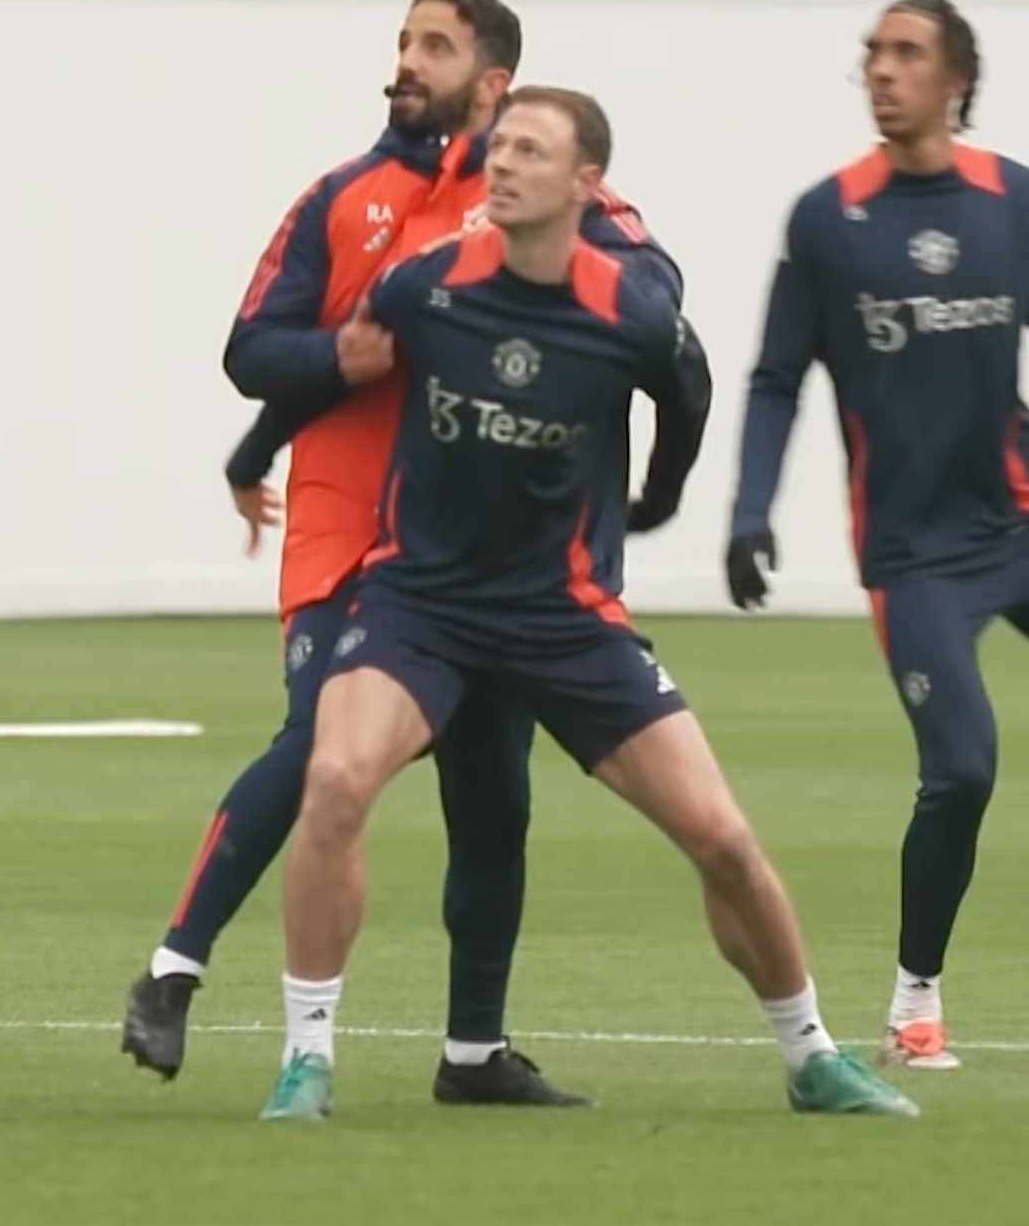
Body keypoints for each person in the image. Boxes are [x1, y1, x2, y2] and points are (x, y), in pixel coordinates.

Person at [258, 84, 918, 1123]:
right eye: (500, 146)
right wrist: (249, 458)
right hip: (418, 604)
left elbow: (688, 392)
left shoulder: (630, 312)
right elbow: (334, 374)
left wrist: (657, 495)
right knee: (335, 782)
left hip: (561, 618)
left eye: (530, 149)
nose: (503, 163)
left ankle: (812, 1056)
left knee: (725, 840)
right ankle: (306, 1059)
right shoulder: (425, 284)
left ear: (586, 182)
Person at [123, 0, 664, 1106]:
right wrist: (332, 369)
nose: (407, 61)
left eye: (435, 45)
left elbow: (651, 291)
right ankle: (176, 964)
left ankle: (472, 1053)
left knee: (493, 794)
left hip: (474, 540)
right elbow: (252, 349)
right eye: (404, 41)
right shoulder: (342, 197)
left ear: (494, 80)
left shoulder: (535, 196)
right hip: (343, 521)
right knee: (320, 742)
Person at [725, 0, 1029, 1071]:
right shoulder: (828, 218)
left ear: (957, 79)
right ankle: (914, 1001)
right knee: (963, 770)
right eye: (872, 54)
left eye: (906, 54)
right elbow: (773, 380)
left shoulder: (1010, 201)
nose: (881, 70)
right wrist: (750, 508)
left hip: (1017, 521)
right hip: (915, 555)